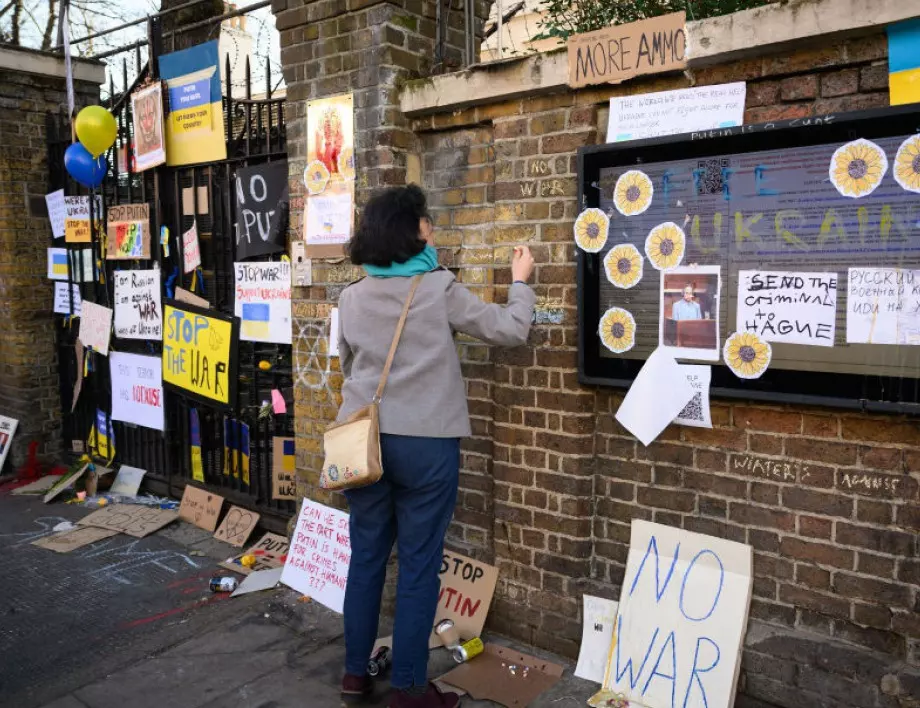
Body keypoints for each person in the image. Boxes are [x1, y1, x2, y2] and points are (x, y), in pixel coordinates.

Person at [336, 184, 536, 708]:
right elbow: (509, 330)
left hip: (363, 445)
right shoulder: (436, 286)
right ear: (411, 230)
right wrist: (520, 283)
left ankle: (354, 675)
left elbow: (347, 366)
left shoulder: (350, 296)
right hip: (426, 445)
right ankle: (407, 687)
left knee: (366, 560)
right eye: (425, 220)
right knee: (420, 565)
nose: (431, 226)